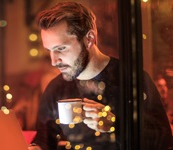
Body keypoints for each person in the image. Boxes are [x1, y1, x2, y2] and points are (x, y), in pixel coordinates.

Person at [28, 2, 172, 150]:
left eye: (61, 48)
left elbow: (163, 142)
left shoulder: (131, 80)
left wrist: (115, 126)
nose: (54, 61)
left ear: (89, 38)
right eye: (49, 50)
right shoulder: (55, 88)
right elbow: (44, 141)